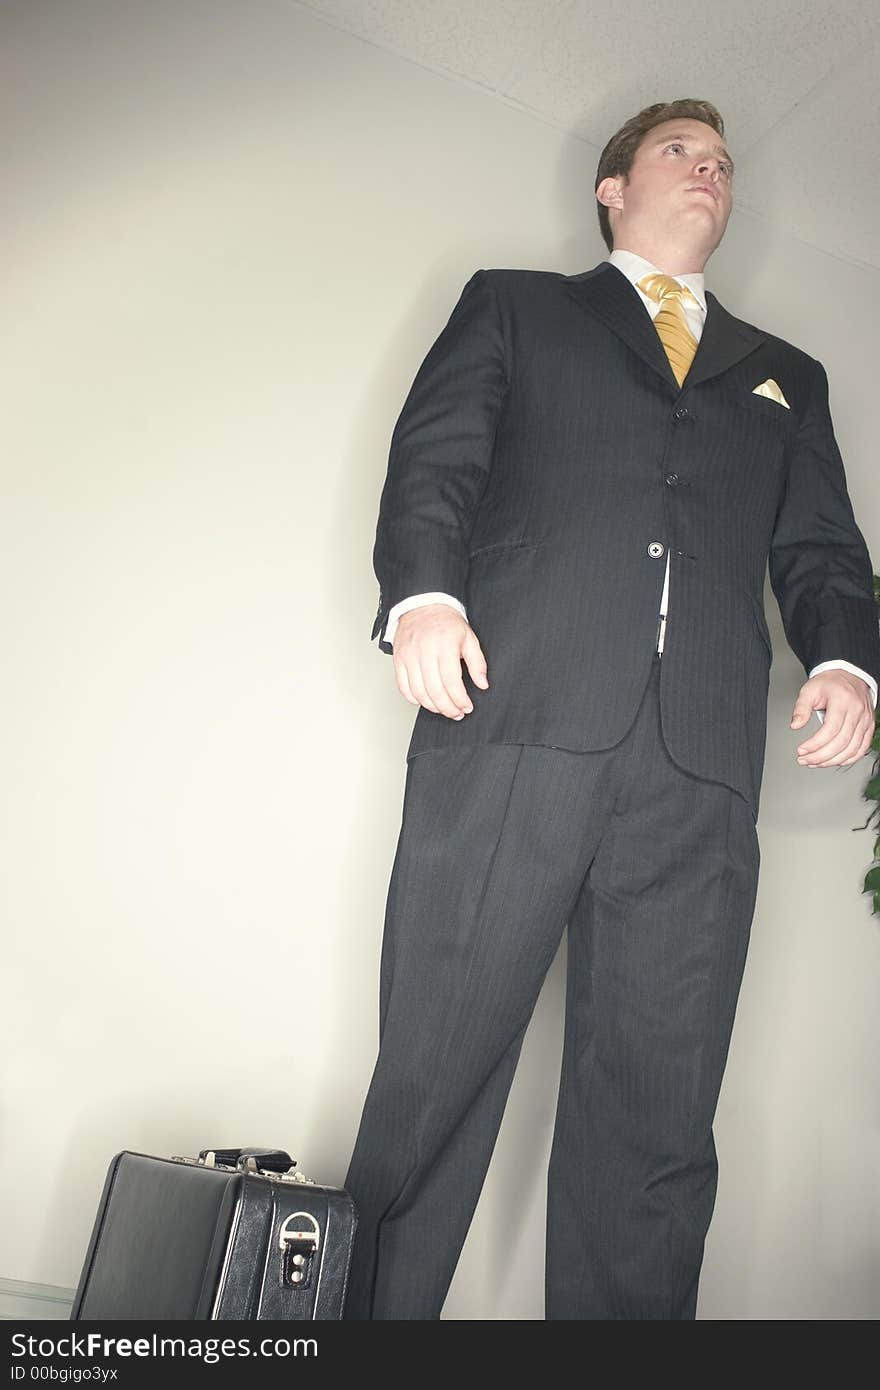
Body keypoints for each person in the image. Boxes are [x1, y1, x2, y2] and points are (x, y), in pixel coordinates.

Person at [342, 99, 880, 1320]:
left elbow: (824, 553)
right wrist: (422, 596)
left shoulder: (785, 377)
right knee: (432, 1076)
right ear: (610, 186)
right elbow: (437, 458)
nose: (711, 173)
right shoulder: (516, 307)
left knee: (658, 1117)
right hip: (514, 722)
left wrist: (846, 661)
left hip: (697, 772)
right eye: (682, 152)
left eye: (725, 164)